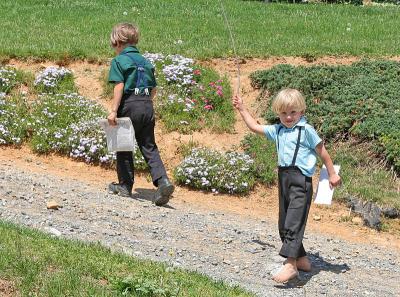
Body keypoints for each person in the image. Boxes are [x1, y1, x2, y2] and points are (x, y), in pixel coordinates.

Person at [232, 88, 341, 283]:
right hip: (284, 180)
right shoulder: (278, 130)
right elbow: (254, 127)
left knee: (293, 223)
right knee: (284, 225)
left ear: (301, 111)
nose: (288, 117)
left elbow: (322, 152)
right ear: (278, 113)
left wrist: (332, 173)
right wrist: (242, 108)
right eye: (283, 113)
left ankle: (290, 265)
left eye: (293, 112)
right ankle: (302, 259)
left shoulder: (306, 130)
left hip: (301, 182)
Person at [107, 22, 174, 206]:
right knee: (148, 145)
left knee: (123, 145)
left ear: (118, 42)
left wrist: (113, 110)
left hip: (129, 104)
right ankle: (163, 182)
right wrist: (145, 104)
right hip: (146, 104)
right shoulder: (146, 62)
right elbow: (153, 89)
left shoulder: (119, 61)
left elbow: (119, 86)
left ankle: (125, 185)